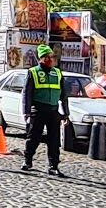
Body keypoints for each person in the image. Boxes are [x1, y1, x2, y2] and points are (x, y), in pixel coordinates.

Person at [20, 44, 69, 177]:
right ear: (42, 58)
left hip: (53, 111)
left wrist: (66, 113)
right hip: (38, 110)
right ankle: (28, 161)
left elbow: (64, 94)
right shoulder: (33, 72)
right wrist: (27, 112)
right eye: (50, 57)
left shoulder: (58, 73)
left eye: (53, 57)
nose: (52, 59)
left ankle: (53, 166)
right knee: (33, 138)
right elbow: (27, 94)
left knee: (54, 140)